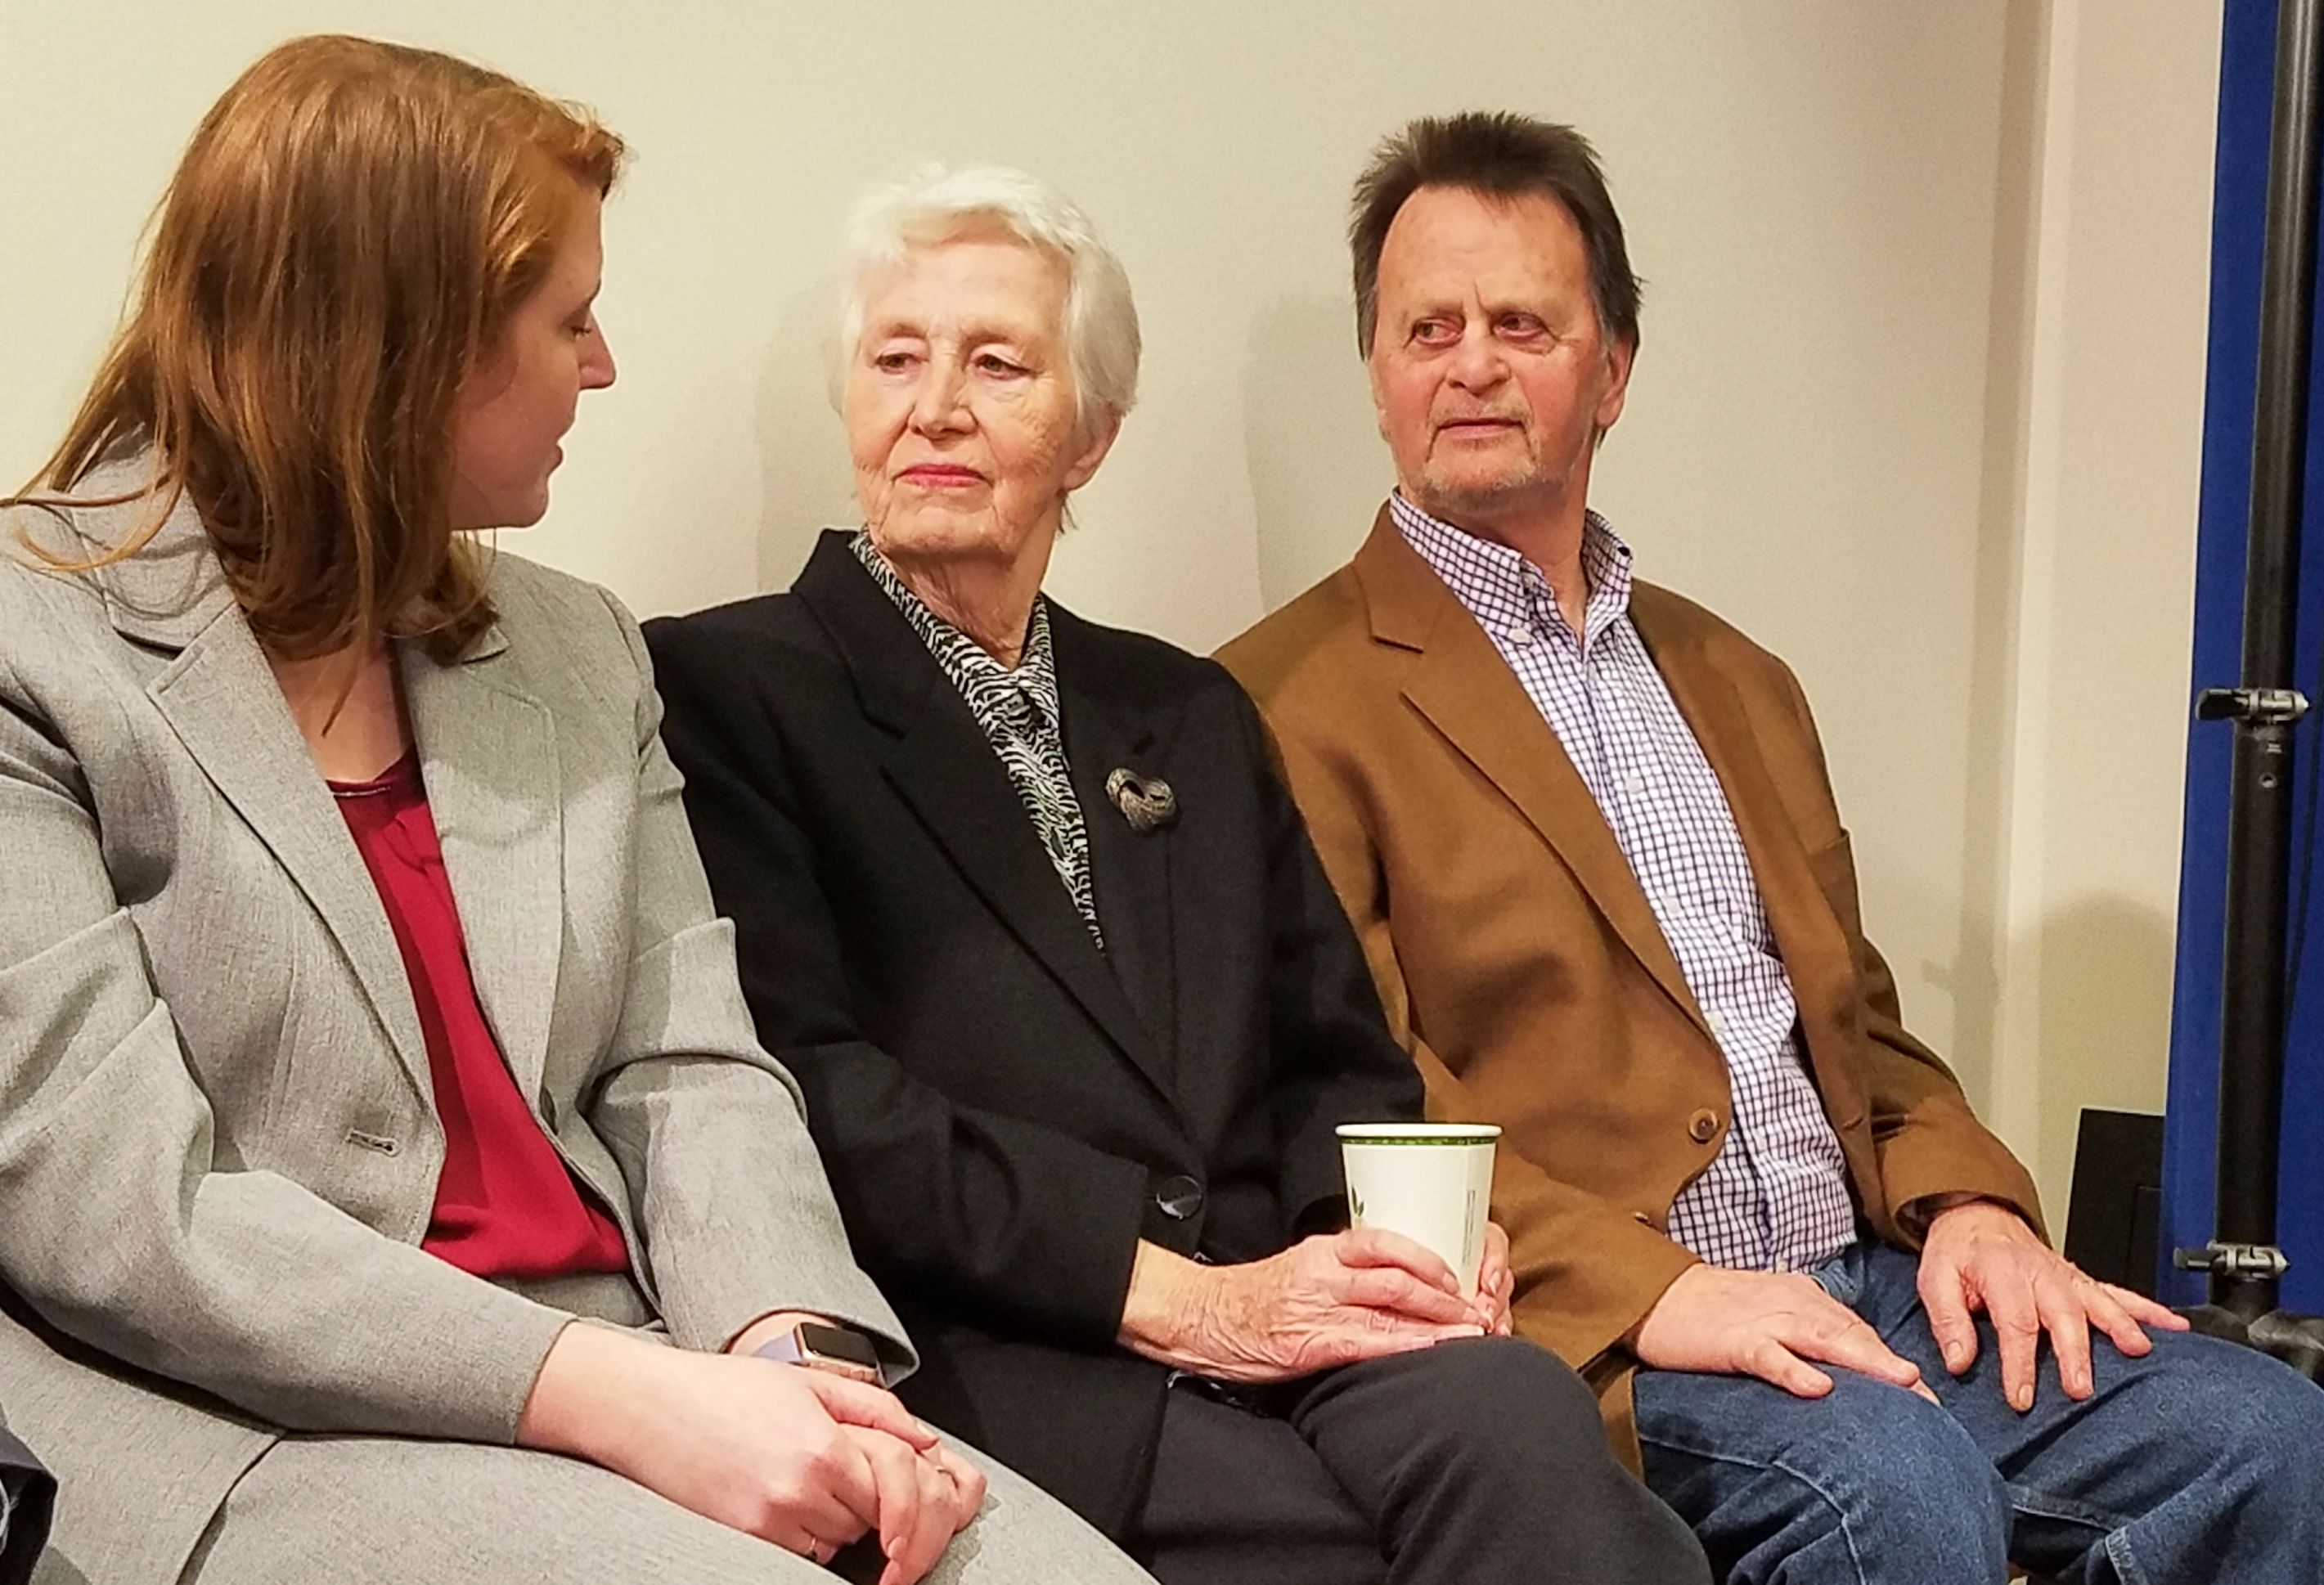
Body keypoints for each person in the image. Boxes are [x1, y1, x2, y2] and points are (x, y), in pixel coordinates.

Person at [0, 37, 1149, 1585]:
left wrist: (798, 1355)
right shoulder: (34, 639)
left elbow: (690, 1066)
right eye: (568, 317)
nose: (601, 364)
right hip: (249, 1429)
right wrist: (639, 1403)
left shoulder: (576, 645)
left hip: (650, 1363)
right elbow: (128, 1212)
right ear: (404, 344)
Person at [1217, 110, 2324, 1584]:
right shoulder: (1278, 701)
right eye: (1427, 326)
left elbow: (1859, 1023)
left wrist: (1975, 1204)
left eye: (1521, 323)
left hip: (1865, 1270)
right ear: (1377, 372)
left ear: (1610, 370)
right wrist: (1667, 1294)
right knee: (1896, 1493)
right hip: (1606, 1318)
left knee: (2266, 1433)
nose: (1470, 361)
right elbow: (1361, 1107)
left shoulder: (1734, 676)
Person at [646, 163, 1710, 1585]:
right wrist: (1177, 1297)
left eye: (997, 364)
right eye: (896, 358)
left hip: (1292, 1317)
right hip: (1018, 1353)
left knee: (1525, 1428)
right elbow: (811, 1093)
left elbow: (1334, 1058)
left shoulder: (1183, 711)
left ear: (1088, 436)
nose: (937, 405)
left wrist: (1398, 1249)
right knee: (1373, 1553)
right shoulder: (730, 686)